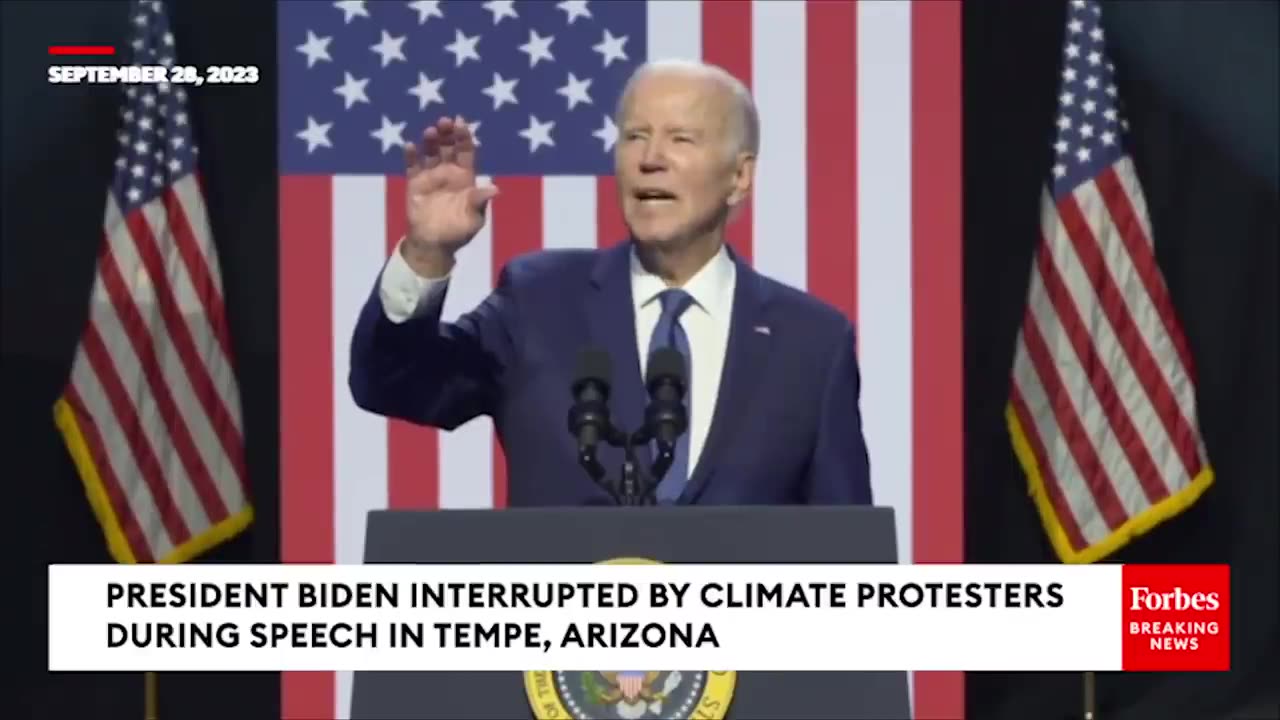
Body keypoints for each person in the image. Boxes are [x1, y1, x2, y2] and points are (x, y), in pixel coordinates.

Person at [349, 59, 872, 507]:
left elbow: (848, 560)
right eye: (635, 137)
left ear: (739, 177)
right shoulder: (538, 300)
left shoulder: (812, 344)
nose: (650, 159)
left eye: (681, 138)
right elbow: (394, 383)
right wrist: (426, 252)